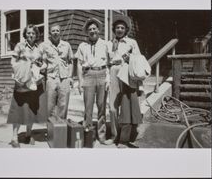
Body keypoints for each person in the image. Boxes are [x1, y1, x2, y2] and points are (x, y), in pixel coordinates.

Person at [7, 24, 48, 148]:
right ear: (25, 34)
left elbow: (45, 64)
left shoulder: (40, 48)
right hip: (22, 82)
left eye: (33, 33)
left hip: (35, 82)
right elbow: (13, 62)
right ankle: (14, 137)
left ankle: (28, 135)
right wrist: (21, 72)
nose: (31, 35)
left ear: (36, 35)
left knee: (32, 109)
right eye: (29, 33)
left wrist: (40, 66)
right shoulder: (20, 46)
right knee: (18, 110)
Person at [107, 15, 143, 148]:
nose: (120, 30)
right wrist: (107, 78)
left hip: (126, 73)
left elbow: (138, 60)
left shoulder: (131, 42)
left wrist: (129, 58)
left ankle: (124, 137)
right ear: (114, 29)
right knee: (112, 107)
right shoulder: (109, 43)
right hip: (113, 73)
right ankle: (114, 135)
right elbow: (106, 63)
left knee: (127, 106)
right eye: (117, 27)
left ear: (126, 29)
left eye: (122, 27)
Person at [76, 17, 113, 145]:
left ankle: (101, 136)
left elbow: (109, 63)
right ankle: (88, 136)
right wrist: (80, 81)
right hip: (88, 75)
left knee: (102, 107)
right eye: (90, 29)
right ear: (87, 31)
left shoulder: (105, 44)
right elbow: (79, 65)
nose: (92, 31)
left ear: (98, 30)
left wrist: (108, 79)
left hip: (102, 74)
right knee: (88, 107)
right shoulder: (82, 46)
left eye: (94, 28)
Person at [40, 24, 74, 119]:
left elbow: (71, 61)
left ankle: (61, 129)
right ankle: (51, 130)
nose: (55, 33)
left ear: (60, 32)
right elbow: (42, 61)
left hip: (64, 78)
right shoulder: (44, 45)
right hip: (51, 78)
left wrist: (70, 77)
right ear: (50, 33)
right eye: (53, 31)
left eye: (57, 31)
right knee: (49, 106)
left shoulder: (66, 45)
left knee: (63, 106)